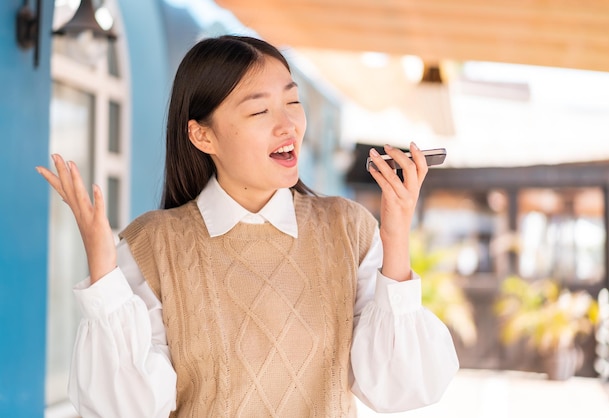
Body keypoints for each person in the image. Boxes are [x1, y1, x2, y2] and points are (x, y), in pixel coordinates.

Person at [37, 35, 459, 417]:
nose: (288, 124)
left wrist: (396, 237)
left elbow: (399, 388)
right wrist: (103, 271)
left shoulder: (347, 229)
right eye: (260, 109)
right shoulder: (154, 245)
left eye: (293, 102)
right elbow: (126, 409)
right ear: (203, 137)